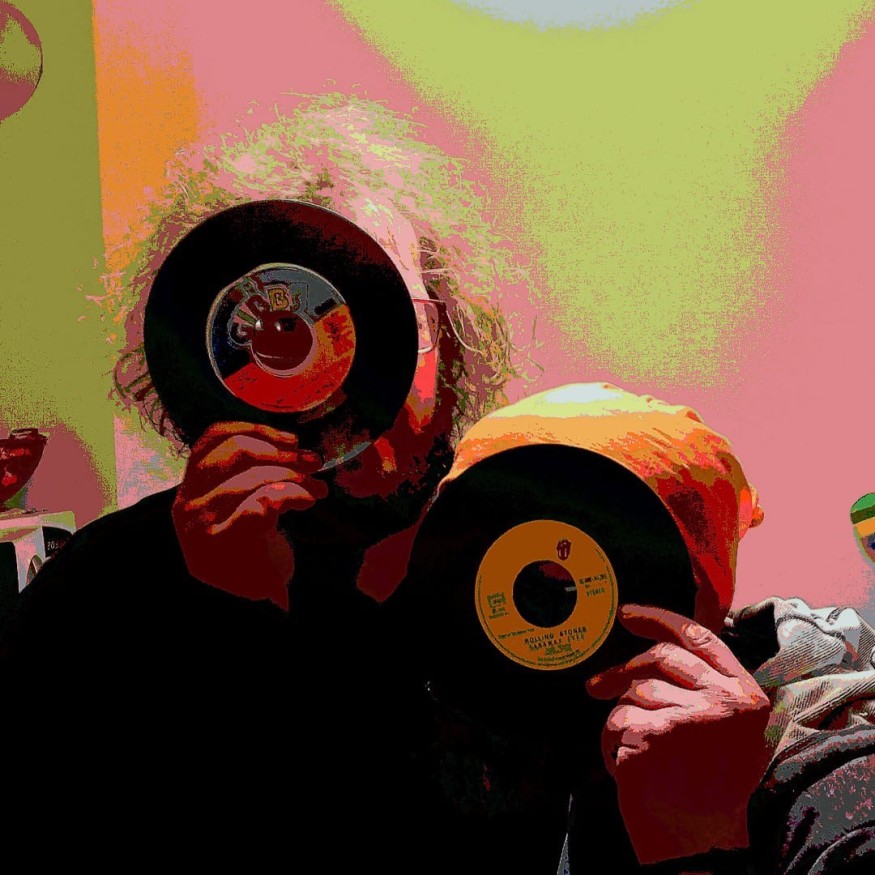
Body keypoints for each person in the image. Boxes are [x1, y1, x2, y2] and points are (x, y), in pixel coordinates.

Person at [0, 93, 569, 870]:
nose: (345, 380)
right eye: (287, 333)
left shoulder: (527, 573)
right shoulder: (96, 595)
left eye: (386, 319)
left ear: (453, 336)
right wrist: (233, 621)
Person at [435, 382, 875, 873]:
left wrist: (699, 843)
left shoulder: (843, 792)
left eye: (565, 589)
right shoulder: (502, 751)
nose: (535, 615)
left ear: (686, 589)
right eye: (519, 586)